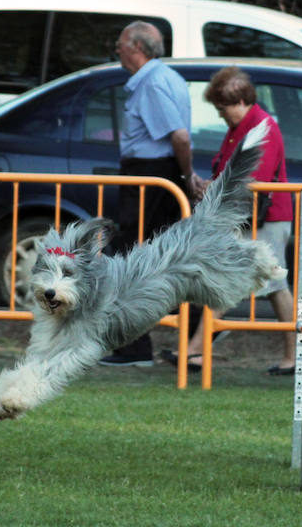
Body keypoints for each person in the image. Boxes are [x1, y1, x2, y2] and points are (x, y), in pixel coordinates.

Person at [161, 66, 297, 375]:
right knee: (273, 286)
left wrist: (215, 189)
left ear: (238, 101)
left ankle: (195, 350)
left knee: (247, 281)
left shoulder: (261, 128)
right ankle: (294, 357)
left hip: (266, 219)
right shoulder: (244, 126)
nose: (221, 116)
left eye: (222, 109)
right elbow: (231, 173)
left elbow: (253, 182)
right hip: (257, 219)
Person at [98, 21, 201, 367]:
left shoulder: (154, 83)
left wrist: (187, 176)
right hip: (157, 174)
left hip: (150, 176)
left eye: (121, 45)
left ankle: (136, 347)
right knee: (161, 257)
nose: (118, 51)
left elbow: (180, 137)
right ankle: (197, 333)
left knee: (128, 255)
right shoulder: (166, 77)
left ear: (137, 48)